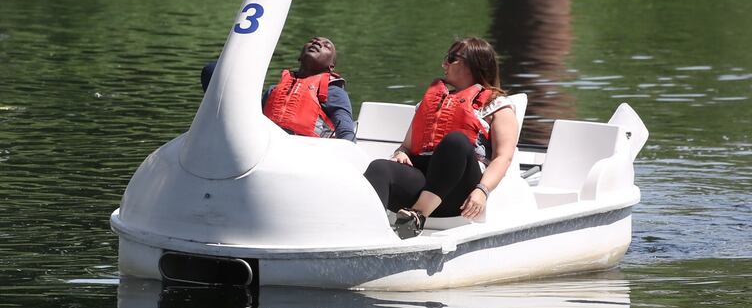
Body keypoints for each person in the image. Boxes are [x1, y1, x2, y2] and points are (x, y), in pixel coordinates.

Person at [363, 37, 518, 239]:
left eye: (451, 58)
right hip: (424, 181)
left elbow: (503, 157)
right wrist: (401, 152)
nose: (444, 64)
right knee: (379, 167)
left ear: (473, 64)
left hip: (460, 193)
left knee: (456, 141)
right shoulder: (430, 103)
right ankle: (365, 234)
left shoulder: (497, 106)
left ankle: (417, 216)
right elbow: (406, 146)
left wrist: (482, 190)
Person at [201, 36, 356, 142]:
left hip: (306, 152)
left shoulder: (333, 92)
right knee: (213, 70)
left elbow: (346, 132)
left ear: (331, 67)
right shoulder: (274, 90)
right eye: (312, 41)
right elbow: (249, 118)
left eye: (326, 46)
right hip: (263, 145)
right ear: (300, 56)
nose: (317, 43)